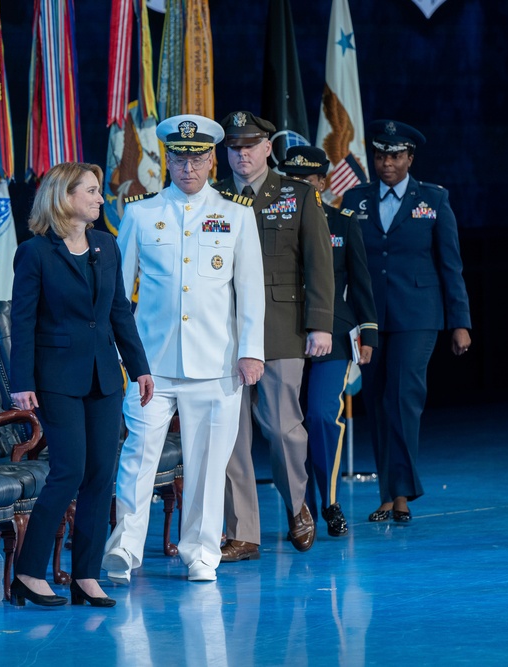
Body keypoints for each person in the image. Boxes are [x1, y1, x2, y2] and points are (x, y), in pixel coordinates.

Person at [103, 114, 265, 583]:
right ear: (166, 160)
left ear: (212, 159)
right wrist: (123, 357)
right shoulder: (140, 213)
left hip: (216, 363)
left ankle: (200, 552)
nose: (187, 167)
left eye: (196, 158)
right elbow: (119, 293)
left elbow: (249, 291)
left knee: (208, 465)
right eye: (178, 157)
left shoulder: (236, 214)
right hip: (151, 364)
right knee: (137, 456)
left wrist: (251, 350)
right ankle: (125, 549)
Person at [8, 162, 154, 608]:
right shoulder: (34, 253)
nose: (99, 198)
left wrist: (140, 366)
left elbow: (118, 312)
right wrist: (21, 382)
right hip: (56, 380)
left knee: (99, 476)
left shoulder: (106, 246)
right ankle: (28, 573)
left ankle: (85, 575)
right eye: (90, 191)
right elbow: (24, 321)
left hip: (104, 376)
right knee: (69, 471)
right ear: (64, 197)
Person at [214, 111, 335, 561]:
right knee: (230, 434)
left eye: (250, 146)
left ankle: (298, 505)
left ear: (268, 148)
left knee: (283, 429)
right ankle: (243, 531)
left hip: (280, 329)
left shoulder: (298, 195)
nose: (242, 154)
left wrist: (320, 323)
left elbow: (319, 263)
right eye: (234, 147)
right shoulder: (215, 197)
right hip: (222, 332)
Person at [340, 120, 472, 523]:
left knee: (402, 398)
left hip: (418, 315)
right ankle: (389, 491)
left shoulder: (432, 199)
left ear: (410, 158)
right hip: (371, 318)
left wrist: (460, 321)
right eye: (380, 156)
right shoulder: (356, 198)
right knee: (379, 401)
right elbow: (346, 264)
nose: (386, 164)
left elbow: (451, 265)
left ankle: (400, 493)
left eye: (395, 156)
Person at [281, 145, 378, 537]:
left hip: (334, 334)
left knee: (321, 416)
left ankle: (330, 501)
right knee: (286, 424)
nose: (300, 187)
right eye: (292, 181)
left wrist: (368, 331)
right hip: (283, 333)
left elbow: (361, 281)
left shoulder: (343, 222)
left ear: (322, 182)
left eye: (307, 181)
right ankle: (297, 506)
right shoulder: (269, 222)